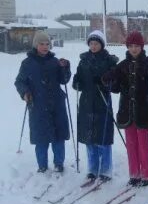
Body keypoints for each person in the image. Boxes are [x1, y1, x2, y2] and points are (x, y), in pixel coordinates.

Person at [103, 31, 148, 187]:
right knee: (131, 143)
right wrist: (110, 80)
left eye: (137, 46)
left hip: (144, 110)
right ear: (127, 47)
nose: (134, 49)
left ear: (142, 47)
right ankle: (134, 173)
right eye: (131, 46)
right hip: (127, 111)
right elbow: (115, 87)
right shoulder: (123, 65)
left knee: (143, 143)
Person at [14, 31, 71, 174]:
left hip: (57, 105)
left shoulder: (54, 61)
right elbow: (19, 81)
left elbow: (63, 80)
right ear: (36, 45)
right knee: (41, 138)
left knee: (58, 137)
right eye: (42, 44)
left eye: (47, 44)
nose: (45, 47)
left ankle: (59, 164)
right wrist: (25, 92)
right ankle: (42, 166)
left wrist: (65, 67)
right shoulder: (27, 63)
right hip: (38, 105)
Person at [73, 30, 118, 183]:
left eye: (96, 43)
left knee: (103, 138)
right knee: (89, 139)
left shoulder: (108, 60)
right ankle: (92, 169)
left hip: (102, 102)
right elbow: (77, 82)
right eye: (91, 43)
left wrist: (104, 81)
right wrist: (76, 81)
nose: (93, 46)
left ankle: (105, 170)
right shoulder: (83, 60)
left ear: (102, 44)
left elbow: (114, 83)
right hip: (86, 103)